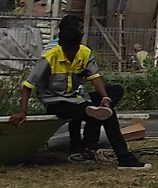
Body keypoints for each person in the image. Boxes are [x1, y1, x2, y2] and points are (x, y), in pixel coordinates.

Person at [10, 17, 149, 170]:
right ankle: (97, 142)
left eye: (74, 51)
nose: (71, 55)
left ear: (78, 46)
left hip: (76, 98)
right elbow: (28, 85)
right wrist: (22, 112)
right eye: (67, 52)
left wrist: (105, 97)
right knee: (92, 111)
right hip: (55, 102)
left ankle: (123, 157)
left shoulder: (84, 52)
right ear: (61, 46)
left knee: (107, 111)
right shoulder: (50, 56)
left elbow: (94, 77)